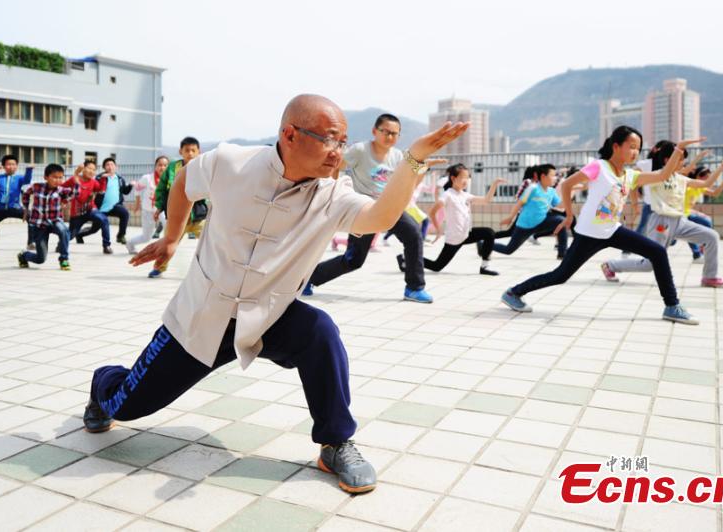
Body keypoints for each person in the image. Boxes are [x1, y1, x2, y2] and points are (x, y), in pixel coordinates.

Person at [84, 94, 470, 495]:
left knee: (319, 330)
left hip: (269, 316)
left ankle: (335, 442)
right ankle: (102, 385)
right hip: (202, 315)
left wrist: (413, 160)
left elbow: (382, 216)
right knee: (128, 406)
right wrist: (171, 236)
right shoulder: (230, 162)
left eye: (342, 143)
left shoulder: (331, 195)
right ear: (290, 134)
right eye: (330, 140)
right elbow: (184, 182)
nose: (338, 153)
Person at [501, 126, 704, 325]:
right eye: (632, 146)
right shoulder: (599, 167)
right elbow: (567, 184)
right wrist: (569, 214)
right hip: (589, 234)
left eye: (638, 148)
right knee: (560, 275)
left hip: (612, 230)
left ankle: (672, 306)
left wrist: (678, 150)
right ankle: (513, 292)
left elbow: (662, 175)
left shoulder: (630, 175)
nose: (635, 152)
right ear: (616, 146)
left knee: (658, 252)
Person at [303, 113, 444, 303]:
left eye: (394, 134)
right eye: (385, 132)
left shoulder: (398, 156)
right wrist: (332, 193)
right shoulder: (360, 150)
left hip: (388, 206)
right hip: (364, 209)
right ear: (374, 131)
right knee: (353, 260)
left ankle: (414, 288)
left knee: (413, 235)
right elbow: (336, 166)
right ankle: (309, 278)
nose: (390, 137)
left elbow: (409, 182)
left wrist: (422, 169)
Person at [601, 144, 723, 289]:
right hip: (661, 222)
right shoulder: (657, 176)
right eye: (681, 159)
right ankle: (610, 265)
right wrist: (635, 203)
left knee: (711, 237)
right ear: (668, 160)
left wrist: (721, 167)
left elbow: (706, 183)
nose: (683, 163)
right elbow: (633, 182)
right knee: (650, 264)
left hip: (680, 221)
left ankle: (709, 277)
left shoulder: (681, 179)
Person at [408, 163, 504, 275]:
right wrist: (438, 230)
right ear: (453, 178)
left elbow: (486, 200)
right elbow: (432, 212)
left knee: (489, 233)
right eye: (463, 177)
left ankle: (484, 267)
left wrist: (494, 184)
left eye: (468, 178)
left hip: (466, 234)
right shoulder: (447, 195)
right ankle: (407, 258)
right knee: (436, 266)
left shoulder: (465, 195)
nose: (466, 181)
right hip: (454, 238)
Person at [149, 138, 207, 278]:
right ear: (181, 151)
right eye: (187, 150)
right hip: (177, 218)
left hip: (198, 217)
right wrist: (159, 208)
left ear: (199, 151)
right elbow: (162, 189)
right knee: (168, 242)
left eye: (193, 150)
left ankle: (212, 270)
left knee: (210, 242)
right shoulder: (172, 168)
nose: (190, 153)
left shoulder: (203, 167)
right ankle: (159, 267)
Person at [492, 164, 568, 258]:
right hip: (525, 225)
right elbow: (519, 203)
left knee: (561, 220)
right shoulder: (533, 188)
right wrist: (510, 217)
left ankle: (562, 253)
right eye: (553, 175)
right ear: (543, 176)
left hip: (541, 222)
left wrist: (568, 194)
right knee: (508, 250)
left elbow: (560, 205)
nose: (555, 178)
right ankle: (484, 244)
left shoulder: (551, 191)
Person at [18, 164, 79, 270]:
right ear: (46, 177)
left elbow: (75, 193)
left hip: (55, 220)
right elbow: (26, 194)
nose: (58, 180)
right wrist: (26, 208)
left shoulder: (61, 190)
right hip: (40, 224)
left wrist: (76, 178)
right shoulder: (36, 187)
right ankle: (24, 256)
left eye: (60, 177)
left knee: (64, 230)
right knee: (41, 259)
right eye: (54, 177)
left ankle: (64, 259)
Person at [682, 165, 723, 262]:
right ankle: (698, 253)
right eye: (706, 178)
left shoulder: (700, 188)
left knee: (707, 222)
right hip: (680, 215)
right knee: (680, 236)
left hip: (687, 213)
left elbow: (715, 194)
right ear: (698, 176)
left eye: (708, 178)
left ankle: (700, 250)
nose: (708, 180)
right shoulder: (689, 186)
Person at [67, 160, 113, 254]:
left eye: (94, 169)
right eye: (89, 168)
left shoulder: (93, 181)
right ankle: (61, 244)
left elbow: (101, 190)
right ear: (83, 168)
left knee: (103, 219)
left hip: (90, 209)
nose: (91, 171)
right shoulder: (74, 179)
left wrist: (103, 179)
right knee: (70, 235)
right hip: (77, 213)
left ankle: (106, 246)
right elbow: (61, 187)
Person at [126, 155, 169, 254]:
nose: (162, 167)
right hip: (148, 210)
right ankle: (130, 243)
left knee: (169, 227)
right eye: (160, 165)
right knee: (146, 237)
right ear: (155, 166)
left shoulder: (170, 179)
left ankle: (165, 248)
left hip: (162, 210)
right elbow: (137, 188)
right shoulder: (147, 178)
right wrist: (137, 203)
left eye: (165, 165)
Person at [92, 157, 132, 245]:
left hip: (115, 206)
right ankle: (80, 235)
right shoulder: (99, 177)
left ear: (116, 166)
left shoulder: (120, 179)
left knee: (124, 213)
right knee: (94, 229)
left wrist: (130, 186)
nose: (110, 167)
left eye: (112, 164)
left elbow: (125, 191)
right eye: (107, 165)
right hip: (102, 207)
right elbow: (94, 188)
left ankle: (121, 236)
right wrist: (101, 178)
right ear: (104, 167)